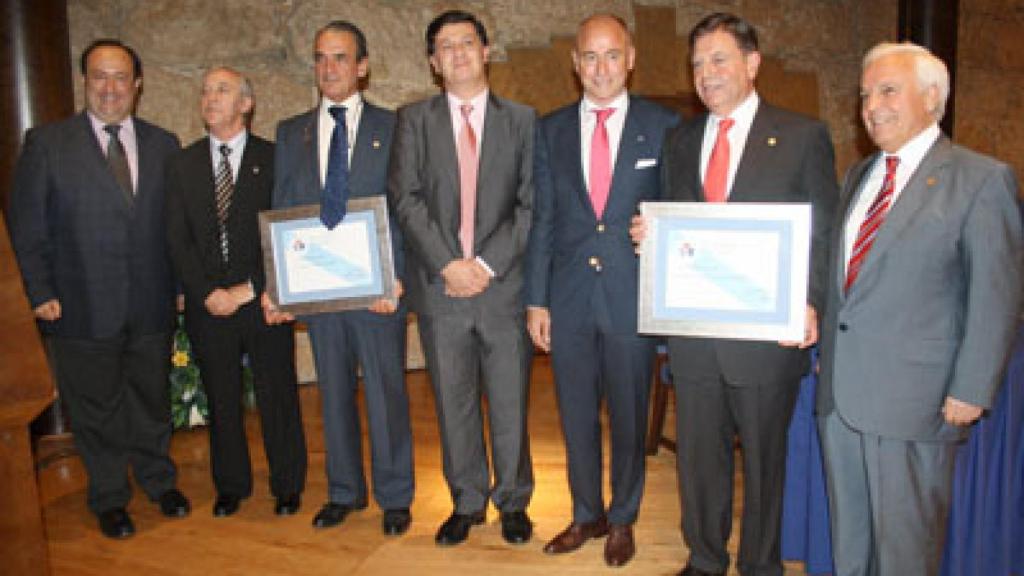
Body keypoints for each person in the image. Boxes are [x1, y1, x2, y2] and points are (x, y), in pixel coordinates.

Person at [630, 12, 838, 576]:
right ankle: (704, 557)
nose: (705, 73)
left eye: (718, 59)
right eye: (696, 63)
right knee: (699, 460)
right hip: (696, 337)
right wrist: (649, 235)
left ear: (752, 63)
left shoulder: (801, 136)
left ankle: (760, 564)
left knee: (766, 463)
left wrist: (812, 301)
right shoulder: (681, 138)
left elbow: (823, 232)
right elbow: (675, 225)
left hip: (766, 337)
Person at [816, 41, 1022, 576]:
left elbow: (996, 293)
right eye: (864, 94)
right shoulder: (859, 176)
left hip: (917, 403)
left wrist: (972, 388)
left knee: (905, 555)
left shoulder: (981, 179)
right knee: (851, 548)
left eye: (888, 90)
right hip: (841, 401)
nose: (871, 106)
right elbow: (843, 280)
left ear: (933, 97)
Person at [6, 39, 190, 538]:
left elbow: (175, 227)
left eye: (119, 77)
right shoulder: (47, 144)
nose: (109, 88)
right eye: (98, 77)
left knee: (152, 400)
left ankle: (158, 480)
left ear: (138, 84)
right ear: (85, 81)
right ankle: (109, 496)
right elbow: (26, 226)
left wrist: (178, 287)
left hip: (151, 302)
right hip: (79, 305)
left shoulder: (163, 144)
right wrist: (39, 290)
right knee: (96, 409)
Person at [525, 13, 679, 567]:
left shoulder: (664, 127)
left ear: (631, 58)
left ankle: (623, 516)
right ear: (575, 63)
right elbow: (542, 219)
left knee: (630, 412)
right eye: (589, 56)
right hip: (566, 299)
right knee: (575, 412)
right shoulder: (549, 130)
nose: (601, 67)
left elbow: (683, 209)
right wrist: (536, 299)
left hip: (630, 296)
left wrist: (661, 229)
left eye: (612, 55)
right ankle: (585, 512)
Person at [388, 9, 535, 547]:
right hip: (440, 288)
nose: (457, 53)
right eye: (444, 47)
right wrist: (449, 265)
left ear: (486, 50)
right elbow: (405, 198)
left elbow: (527, 206)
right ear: (432, 62)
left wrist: (484, 266)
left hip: (502, 289)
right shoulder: (414, 120)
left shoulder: (522, 120)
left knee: (510, 400)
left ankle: (514, 501)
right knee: (453, 402)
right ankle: (467, 501)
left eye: (466, 42)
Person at [264, 20, 414, 535]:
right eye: (321, 58)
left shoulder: (394, 128)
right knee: (331, 392)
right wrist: (278, 286)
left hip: (379, 292)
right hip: (320, 292)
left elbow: (408, 210)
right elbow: (283, 209)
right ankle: (344, 491)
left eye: (341, 57)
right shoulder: (290, 133)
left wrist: (398, 278)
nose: (329, 68)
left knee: (386, 393)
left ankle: (395, 496)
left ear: (363, 66)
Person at [165, 67, 307, 518]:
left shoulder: (277, 157)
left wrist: (253, 288)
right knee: (221, 397)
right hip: (209, 305)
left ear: (246, 104)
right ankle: (231, 485)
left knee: (277, 395)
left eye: (221, 91)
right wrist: (206, 291)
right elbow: (176, 238)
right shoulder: (182, 163)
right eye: (205, 91)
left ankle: (287, 484)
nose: (210, 99)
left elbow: (290, 229)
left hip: (262, 301)